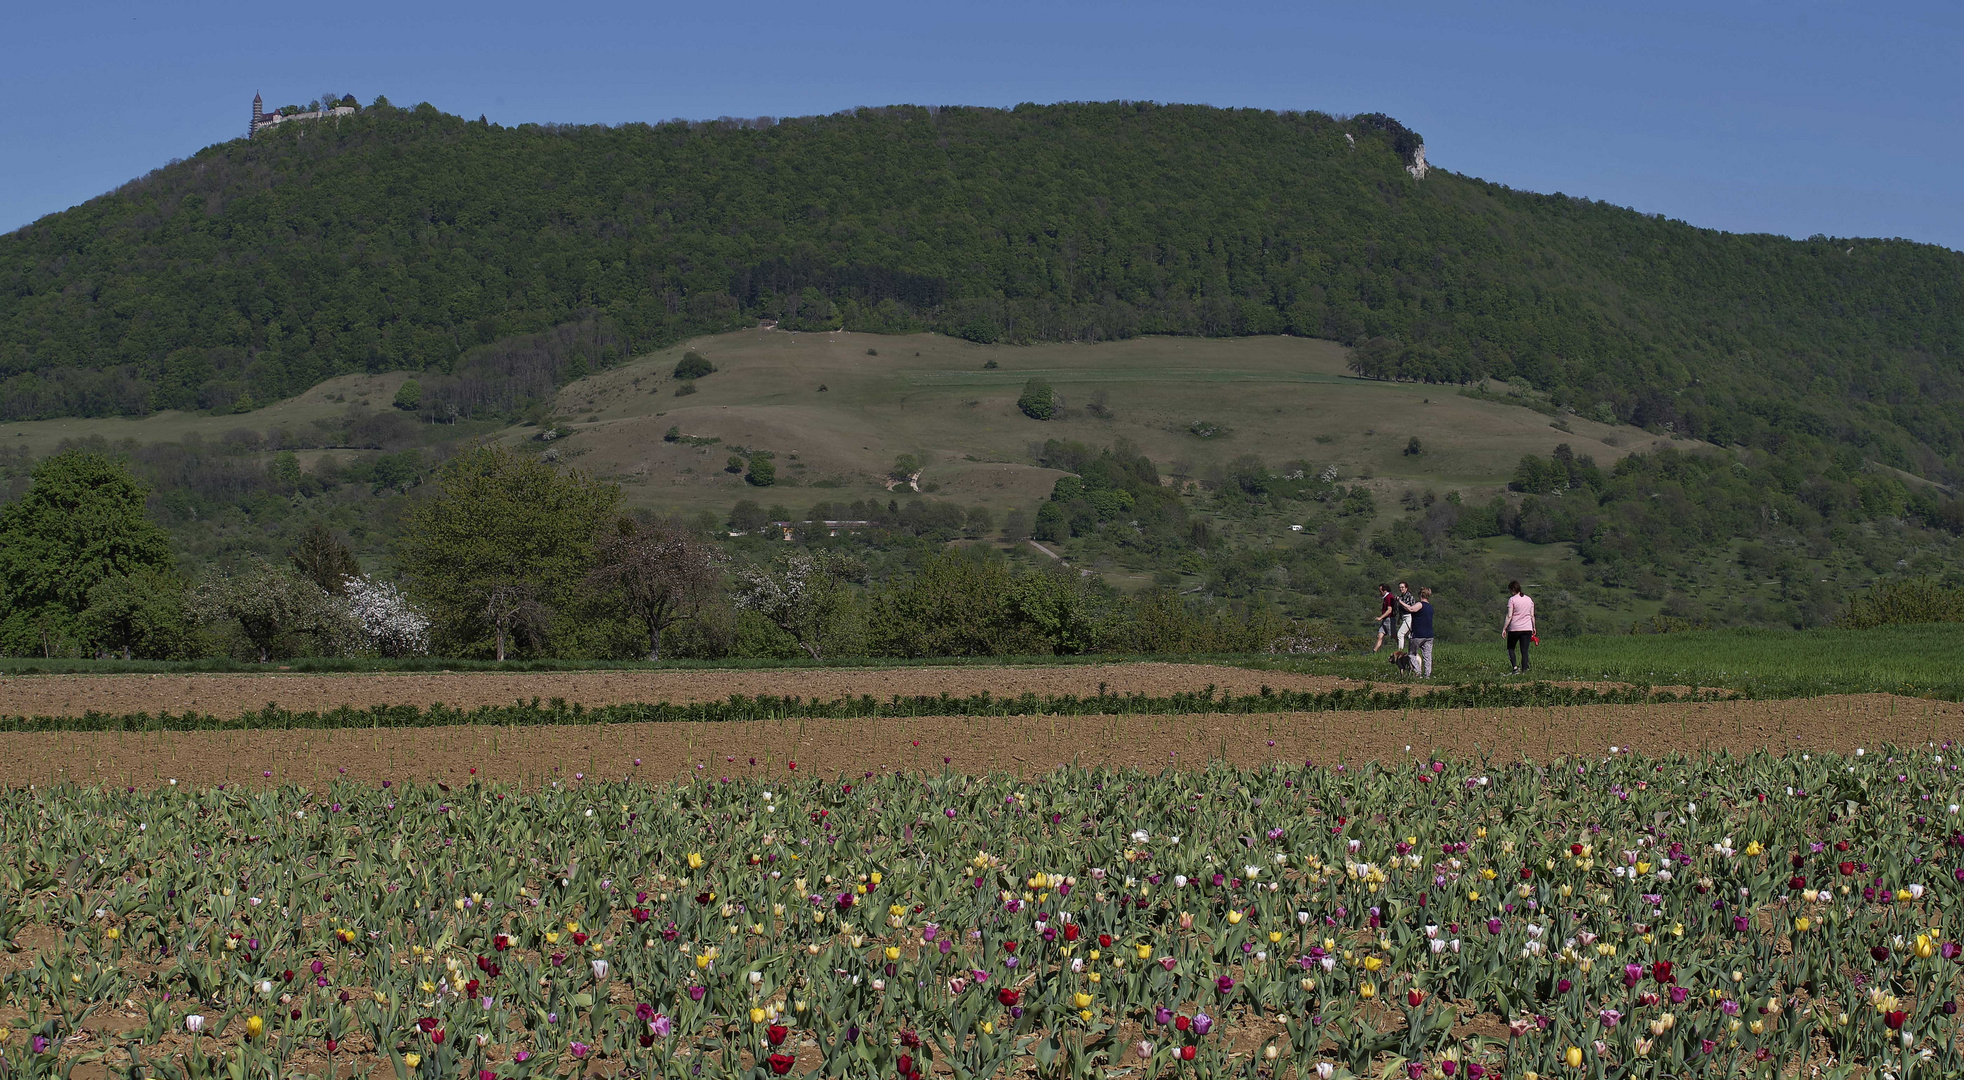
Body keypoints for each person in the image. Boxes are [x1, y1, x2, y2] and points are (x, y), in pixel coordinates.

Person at [1399, 586, 1435, 677]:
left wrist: (1400, 602)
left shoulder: (1420, 604)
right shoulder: (1430, 607)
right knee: (1427, 656)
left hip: (1418, 634)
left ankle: (1417, 671)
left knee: (1411, 654)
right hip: (1429, 635)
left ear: (1421, 595)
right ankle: (1427, 675)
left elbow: (1411, 609)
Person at [1503, 580, 1535, 674]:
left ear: (1513, 589)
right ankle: (1524, 670)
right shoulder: (1529, 599)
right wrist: (1534, 627)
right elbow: (1532, 615)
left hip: (1515, 628)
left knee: (1510, 648)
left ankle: (1515, 668)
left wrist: (1504, 628)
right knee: (1524, 650)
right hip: (1527, 628)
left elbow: (1509, 616)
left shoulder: (1512, 600)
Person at [1370, 583, 1396, 652]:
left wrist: (1380, 617)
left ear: (1385, 591)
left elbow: (1389, 610)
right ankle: (1374, 651)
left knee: (1394, 636)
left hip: (1389, 619)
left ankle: (1401, 648)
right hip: (1385, 620)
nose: (1380, 593)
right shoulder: (1386, 598)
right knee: (1380, 635)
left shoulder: (1389, 597)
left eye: (1380, 591)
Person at [1393, 580, 1415, 651]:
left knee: (1400, 634)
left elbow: (1409, 607)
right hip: (1404, 617)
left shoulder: (1409, 596)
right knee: (1409, 636)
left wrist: (1400, 601)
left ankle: (1400, 651)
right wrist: (1399, 618)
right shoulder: (1402, 596)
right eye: (1400, 587)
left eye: (1402, 587)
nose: (1401, 589)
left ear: (1406, 588)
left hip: (1409, 616)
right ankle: (1411, 650)